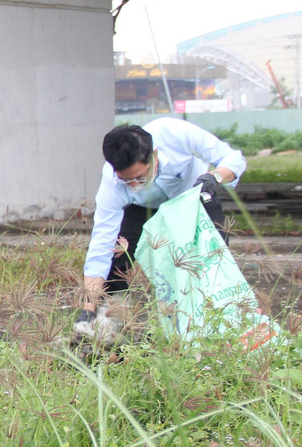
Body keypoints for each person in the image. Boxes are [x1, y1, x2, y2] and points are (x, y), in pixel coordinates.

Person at [77, 118, 245, 334]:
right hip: (143, 207)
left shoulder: (174, 133)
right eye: (128, 181)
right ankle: (111, 321)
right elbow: (101, 246)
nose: (135, 185)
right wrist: (87, 308)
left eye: (139, 177)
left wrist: (215, 176)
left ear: (154, 156)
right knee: (115, 257)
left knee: (213, 258)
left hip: (194, 195)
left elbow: (234, 159)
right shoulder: (112, 184)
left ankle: (217, 320)